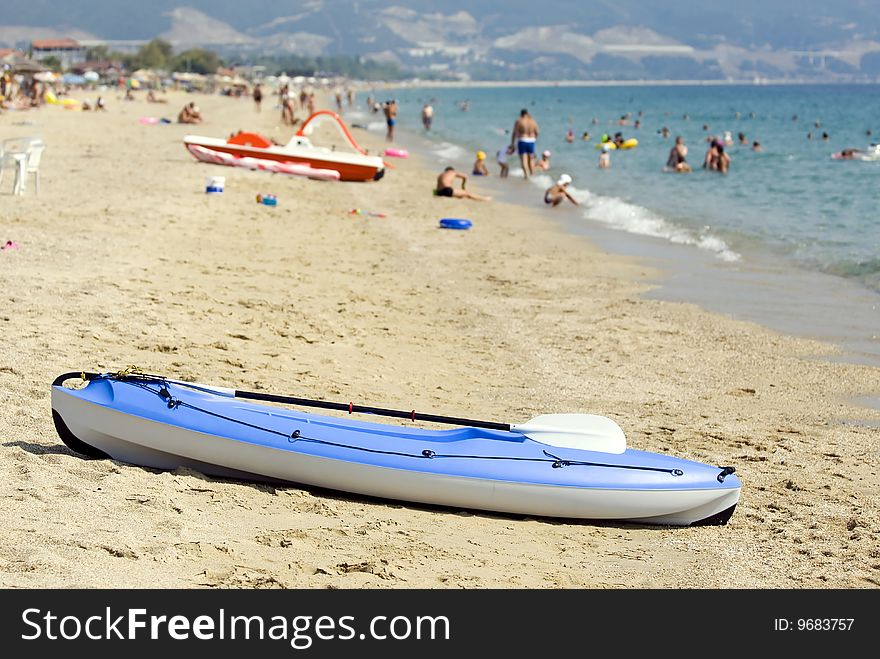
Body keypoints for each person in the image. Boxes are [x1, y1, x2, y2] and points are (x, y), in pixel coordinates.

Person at [510, 108, 539, 179]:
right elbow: (537, 132)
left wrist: (512, 144)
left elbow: (515, 133)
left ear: (521, 114)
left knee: (524, 160)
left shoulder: (519, 121)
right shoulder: (533, 121)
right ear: (527, 113)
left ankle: (526, 175)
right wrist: (535, 139)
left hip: (522, 140)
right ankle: (532, 175)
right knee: (531, 159)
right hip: (532, 141)